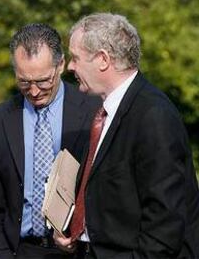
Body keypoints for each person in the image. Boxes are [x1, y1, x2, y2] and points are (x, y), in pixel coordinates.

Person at [54, 13, 199, 258]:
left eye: (76, 58)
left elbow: (165, 223)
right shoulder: (105, 111)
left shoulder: (153, 115)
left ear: (102, 59)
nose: (70, 66)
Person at [0, 23, 100, 259]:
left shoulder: (94, 111)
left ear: (61, 65)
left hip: (79, 253)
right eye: (24, 82)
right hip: (20, 251)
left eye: (43, 81)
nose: (34, 91)